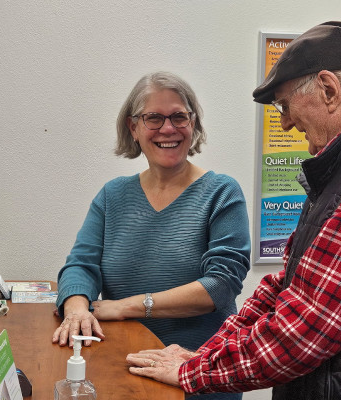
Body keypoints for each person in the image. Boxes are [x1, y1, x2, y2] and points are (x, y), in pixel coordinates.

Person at [126, 21, 341, 400]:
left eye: (284, 105)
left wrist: (194, 372)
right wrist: (206, 354)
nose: (284, 121)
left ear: (329, 90)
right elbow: (290, 285)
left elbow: (308, 327)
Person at [53, 71, 251, 399]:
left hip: (197, 374)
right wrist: (76, 309)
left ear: (194, 124)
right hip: (124, 369)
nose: (168, 129)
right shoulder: (112, 195)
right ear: (133, 128)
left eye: (179, 117)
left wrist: (128, 306)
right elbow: (80, 266)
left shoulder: (221, 193)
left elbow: (220, 285)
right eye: (153, 118)